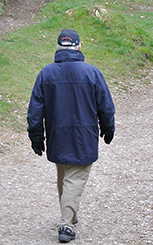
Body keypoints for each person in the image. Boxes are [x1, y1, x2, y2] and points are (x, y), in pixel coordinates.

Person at [27, 29, 115, 244]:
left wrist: (37, 137)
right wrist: (108, 129)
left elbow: (34, 111)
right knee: (74, 178)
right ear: (79, 46)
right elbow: (106, 106)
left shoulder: (46, 73)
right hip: (84, 135)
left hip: (57, 134)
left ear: (57, 48)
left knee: (64, 174)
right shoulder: (91, 72)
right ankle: (66, 224)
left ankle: (70, 215)